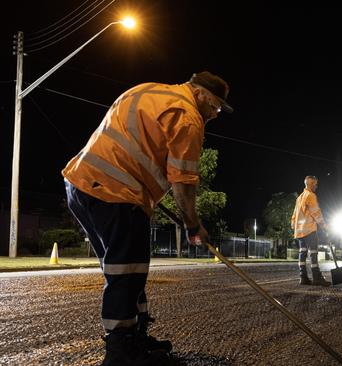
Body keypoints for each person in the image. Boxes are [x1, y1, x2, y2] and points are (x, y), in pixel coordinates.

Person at [62, 71, 232, 365]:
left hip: (81, 185)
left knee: (124, 271)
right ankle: (120, 353)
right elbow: (183, 181)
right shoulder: (188, 117)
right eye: (215, 106)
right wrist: (193, 224)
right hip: (117, 195)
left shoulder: (147, 90)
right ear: (201, 94)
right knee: (127, 274)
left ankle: (133, 337)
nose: (215, 114)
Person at [290, 176, 331, 286]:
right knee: (313, 253)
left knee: (302, 252)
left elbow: (294, 215)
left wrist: (294, 225)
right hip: (309, 230)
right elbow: (316, 213)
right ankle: (317, 278)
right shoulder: (311, 196)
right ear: (311, 184)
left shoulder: (299, 198)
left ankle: (303, 278)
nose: (316, 186)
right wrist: (325, 227)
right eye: (315, 184)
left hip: (299, 232)